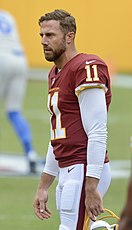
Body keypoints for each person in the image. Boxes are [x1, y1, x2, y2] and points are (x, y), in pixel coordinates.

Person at [33, 9, 112, 229]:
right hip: (68, 167)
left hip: (83, 166)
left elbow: (97, 130)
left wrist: (91, 184)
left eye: (50, 35)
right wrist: (43, 185)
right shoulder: (55, 73)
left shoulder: (86, 67)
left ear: (69, 36)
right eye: (41, 36)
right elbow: (58, 135)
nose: (43, 41)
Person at [0, 10, 38, 173]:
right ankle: (30, 153)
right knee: (14, 111)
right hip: (20, 59)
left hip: (2, 59)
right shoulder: (7, 15)